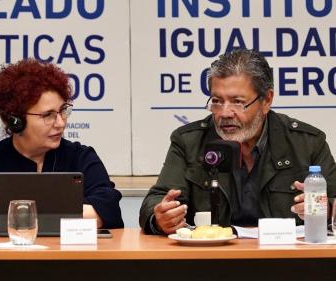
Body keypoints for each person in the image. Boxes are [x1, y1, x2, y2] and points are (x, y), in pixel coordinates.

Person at [140, 48, 336, 234]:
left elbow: (334, 202)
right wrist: (160, 218)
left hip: (285, 260)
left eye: (238, 102)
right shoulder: (189, 142)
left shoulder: (307, 143)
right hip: (211, 260)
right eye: (217, 101)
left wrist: (325, 210)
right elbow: (156, 201)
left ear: (266, 100)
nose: (225, 113)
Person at [0, 59, 124, 229]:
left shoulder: (80, 157)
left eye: (63, 110)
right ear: (16, 121)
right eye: (48, 115)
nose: (60, 123)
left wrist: (9, 214)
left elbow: (108, 211)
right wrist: (60, 214)